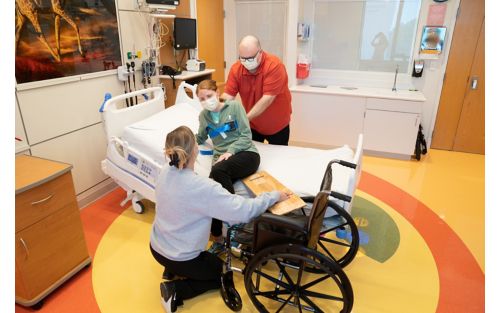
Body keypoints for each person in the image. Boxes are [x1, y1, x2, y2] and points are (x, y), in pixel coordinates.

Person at [150, 126, 289, 313]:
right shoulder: (205, 188)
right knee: (221, 272)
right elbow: (244, 211)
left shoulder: (165, 171)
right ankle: (175, 290)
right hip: (181, 256)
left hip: (156, 246)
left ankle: (172, 269)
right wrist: (273, 196)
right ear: (195, 150)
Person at [195, 79, 261, 255]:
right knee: (211, 192)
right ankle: (218, 239)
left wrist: (230, 151)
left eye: (209, 96)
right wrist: (182, 144)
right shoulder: (204, 117)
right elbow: (200, 137)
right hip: (223, 161)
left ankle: (235, 217)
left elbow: (246, 135)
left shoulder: (234, 107)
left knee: (217, 171)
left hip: (246, 153)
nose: (206, 101)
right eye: (202, 99)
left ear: (217, 93)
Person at [222, 35, 292, 146]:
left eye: (250, 58)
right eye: (242, 58)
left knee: (278, 157)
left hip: (277, 126)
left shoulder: (274, 66)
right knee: (254, 154)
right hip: (252, 125)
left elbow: (267, 100)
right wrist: (217, 112)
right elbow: (228, 95)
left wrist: (243, 119)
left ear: (260, 53)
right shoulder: (237, 69)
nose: (246, 62)